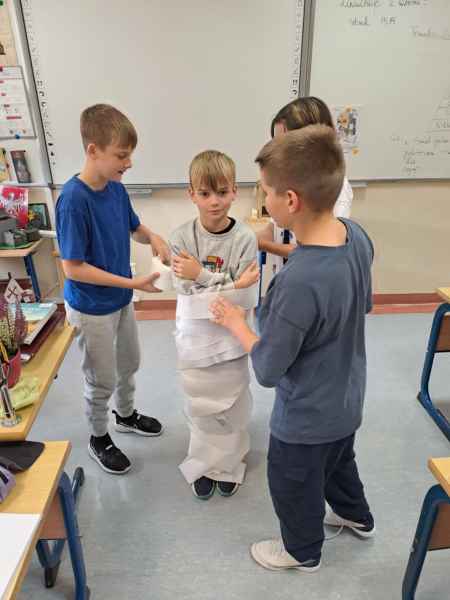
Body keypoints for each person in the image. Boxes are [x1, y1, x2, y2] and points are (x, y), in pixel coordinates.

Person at [210, 124, 375, 571]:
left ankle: (302, 551)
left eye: (266, 192)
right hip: (347, 399)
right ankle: (357, 516)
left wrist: (237, 322)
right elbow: (361, 303)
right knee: (338, 462)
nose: (263, 201)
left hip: (305, 417)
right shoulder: (355, 235)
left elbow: (267, 368)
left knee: (293, 481)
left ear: (291, 200)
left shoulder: (298, 283)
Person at [56, 103, 171, 475]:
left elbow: (134, 227)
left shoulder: (116, 189)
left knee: (128, 363)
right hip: (91, 308)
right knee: (101, 377)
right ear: (94, 151)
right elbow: (73, 268)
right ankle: (98, 436)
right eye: (122, 155)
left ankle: (125, 415)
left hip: (120, 300)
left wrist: (153, 236)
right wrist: (132, 283)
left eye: (129, 155)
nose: (129, 163)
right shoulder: (73, 201)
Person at [170, 150, 259, 500]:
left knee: (231, 403)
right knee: (201, 402)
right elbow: (184, 291)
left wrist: (202, 276)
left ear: (235, 191)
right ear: (191, 194)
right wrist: (230, 285)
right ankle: (204, 462)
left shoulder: (245, 239)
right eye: (205, 193)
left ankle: (229, 464)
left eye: (222, 192)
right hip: (193, 340)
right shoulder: (181, 237)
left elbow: (245, 296)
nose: (214, 201)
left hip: (232, 337)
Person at [257, 96, 353, 273]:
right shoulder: (286, 179)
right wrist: (250, 239)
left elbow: (321, 253)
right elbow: (274, 226)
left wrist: (264, 245)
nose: (277, 151)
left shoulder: (336, 188)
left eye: (284, 142)